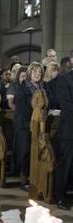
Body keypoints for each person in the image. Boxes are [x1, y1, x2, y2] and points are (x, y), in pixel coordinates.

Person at [12, 62, 44, 191]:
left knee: (36, 151)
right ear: (30, 73)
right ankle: (23, 180)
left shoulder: (42, 87)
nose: (37, 74)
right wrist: (34, 116)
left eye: (40, 72)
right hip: (24, 124)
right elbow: (22, 108)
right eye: (35, 72)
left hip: (38, 124)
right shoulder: (23, 88)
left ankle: (36, 178)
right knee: (25, 151)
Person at [55, 67, 73, 210]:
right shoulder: (64, 79)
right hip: (69, 130)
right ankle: (60, 197)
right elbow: (66, 106)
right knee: (65, 164)